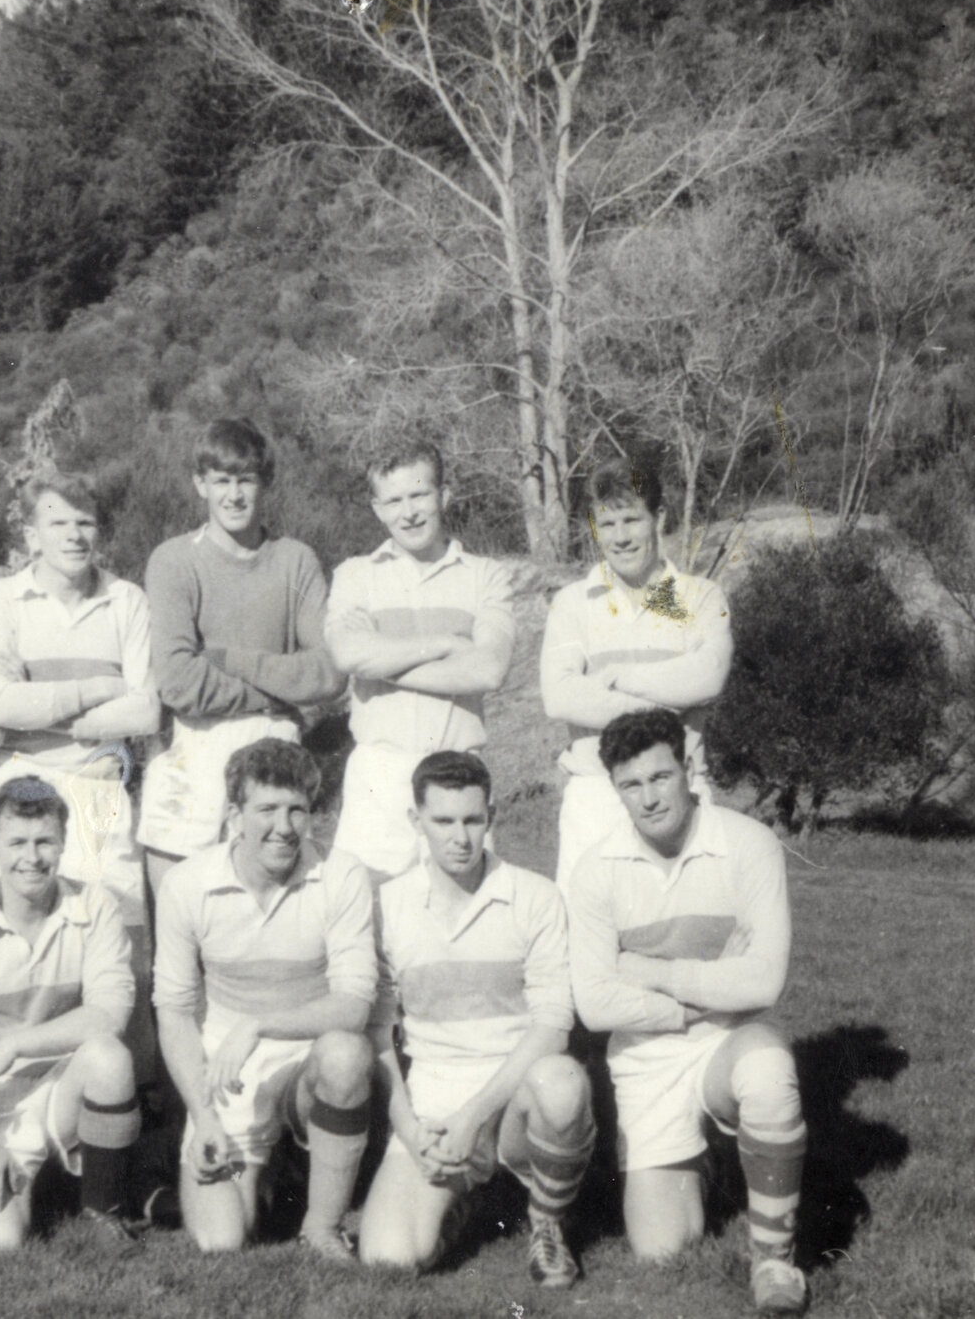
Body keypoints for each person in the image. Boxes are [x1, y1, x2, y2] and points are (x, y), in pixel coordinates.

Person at [567, 709, 808, 1315]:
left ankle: (774, 1260)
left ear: (689, 769)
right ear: (615, 790)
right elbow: (596, 1005)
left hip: (727, 1042)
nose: (649, 799)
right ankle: (718, 1161)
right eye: (631, 785)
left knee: (769, 1072)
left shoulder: (748, 844)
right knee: (661, 1251)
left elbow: (765, 980)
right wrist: (698, 998)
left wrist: (649, 971)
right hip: (647, 1059)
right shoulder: (595, 871)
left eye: (660, 777)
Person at [358, 752, 595, 1287]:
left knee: (562, 1082)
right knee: (389, 1259)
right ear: (415, 821)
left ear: (491, 815)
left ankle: (546, 1223)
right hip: (435, 1100)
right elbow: (377, 1032)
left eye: (472, 819)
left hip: (516, 1094)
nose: (460, 837)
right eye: (443, 821)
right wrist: (410, 1128)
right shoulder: (389, 904)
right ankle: (475, 1196)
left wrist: (474, 1119)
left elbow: (554, 1025)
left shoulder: (534, 897)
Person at [152, 738, 375, 1258]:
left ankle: (321, 1226)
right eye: (267, 809)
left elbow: (353, 1006)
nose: (284, 826)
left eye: (297, 810)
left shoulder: (342, 874)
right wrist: (203, 1115)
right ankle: (259, 1163)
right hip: (229, 1077)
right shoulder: (187, 885)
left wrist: (257, 1026)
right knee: (222, 1239)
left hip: (308, 1062)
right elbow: (176, 1014)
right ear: (235, 814)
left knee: (346, 1054)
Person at [0, 472, 158, 1074]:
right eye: (59, 522)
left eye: (85, 522)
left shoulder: (125, 598)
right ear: (31, 534)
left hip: (100, 782)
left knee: (120, 926)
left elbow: (146, 707)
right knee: (11, 929)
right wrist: (99, 691)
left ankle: (128, 1094)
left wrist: (56, 718)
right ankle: (3, 1077)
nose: (75, 535)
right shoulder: (2, 600)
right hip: (17, 783)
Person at [0, 775, 144, 1253]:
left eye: (45, 841)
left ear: (64, 842)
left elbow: (110, 1015)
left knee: (109, 1056)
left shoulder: (95, 905)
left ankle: (102, 1208)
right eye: (17, 842)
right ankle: (31, 1178)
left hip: (64, 1084)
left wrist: (13, 1045)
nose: (32, 856)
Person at [137, 419, 345, 892]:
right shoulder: (173, 561)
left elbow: (330, 672)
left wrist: (228, 659)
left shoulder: (296, 560)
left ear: (265, 483)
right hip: (193, 751)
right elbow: (178, 682)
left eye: (246, 480)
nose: (234, 495)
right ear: (200, 485)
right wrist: (278, 688)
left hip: (275, 751)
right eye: (221, 481)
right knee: (180, 914)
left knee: (272, 907)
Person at [539, 457, 732, 895]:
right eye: (607, 524)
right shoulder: (572, 603)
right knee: (586, 945)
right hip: (597, 796)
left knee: (689, 938)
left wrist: (619, 676)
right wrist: (666, 707)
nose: (620, 537)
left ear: (658, 519)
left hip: (682, 793)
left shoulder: (701, 596)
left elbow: (708, 677)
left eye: (631, 520)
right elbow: (561, 696)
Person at [323, 443, 514, 883]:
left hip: (457, 775)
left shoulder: (486, 575)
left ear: (444, 495)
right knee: (367, 913)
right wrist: (448, 643)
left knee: (464, 918)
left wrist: (381, 656)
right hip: (379, 774)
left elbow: (489, 670)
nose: (408, 512)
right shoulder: (355, 574)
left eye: (419, 495)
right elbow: (348, 655)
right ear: (377, 509)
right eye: (393, 500)